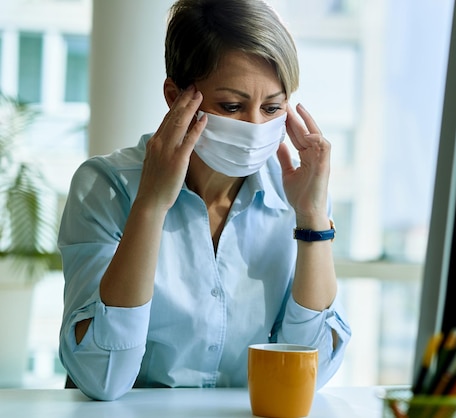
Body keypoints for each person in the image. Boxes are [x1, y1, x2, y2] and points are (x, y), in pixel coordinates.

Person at [58, 0, 351, 401]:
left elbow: (306, 375)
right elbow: (100, 377)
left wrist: (313, 217)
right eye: (231, 106)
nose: (254, 126)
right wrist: (150, 205)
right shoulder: (105, 187)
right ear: (175, 96)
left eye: (272, 107)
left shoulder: (299, 195)